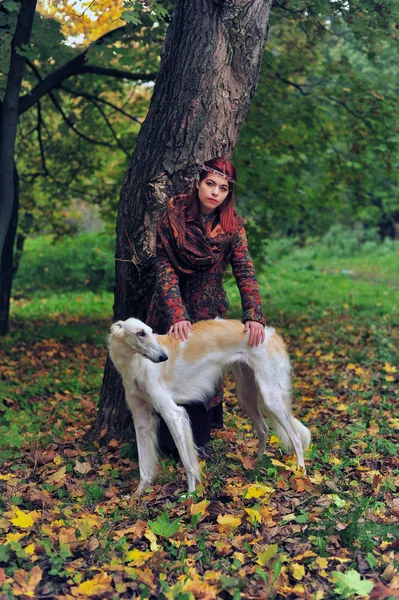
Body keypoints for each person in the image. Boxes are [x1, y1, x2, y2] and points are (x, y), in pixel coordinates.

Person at [146, 157, 266, 458]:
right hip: (170, 305)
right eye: (210, 184)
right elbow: (164, 266)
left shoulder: (232, 225)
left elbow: (244, 270)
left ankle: (197, 443)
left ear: (228, 193)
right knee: (166, 372)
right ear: (199, 183)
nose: (215, 192)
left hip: (209, 306)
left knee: (202, 372)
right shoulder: (173, 215)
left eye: (222, 188)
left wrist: (254, 315)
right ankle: (165, 444)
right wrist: (177, 314)